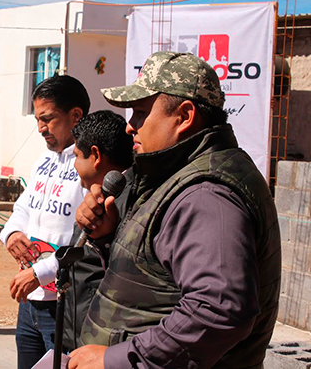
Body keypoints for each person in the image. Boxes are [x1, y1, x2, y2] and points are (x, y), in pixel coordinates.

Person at [69, 51, 281, 369]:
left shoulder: (207, 194)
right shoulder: (179, 175)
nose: (130, 127)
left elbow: (219, 308)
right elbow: (160, 282)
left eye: (140, 113)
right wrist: (110, 235)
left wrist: (116, 361)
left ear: (184, 116)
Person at [0, 74, 90, 369]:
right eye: (38, 120)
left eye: (47, 119)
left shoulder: (90, 167)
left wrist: (41, 272)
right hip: (30, 301)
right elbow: (23, 208)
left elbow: (85, 242)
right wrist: (12, 234)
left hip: (65, 304)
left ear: (75, 116)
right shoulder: (43, 160)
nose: (40, 128)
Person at [63, 110, 134, 352]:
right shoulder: (105, 196)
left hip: (101, 346)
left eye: (76, 155)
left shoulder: (127, 203)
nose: (74, 165)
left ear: (95, 155)